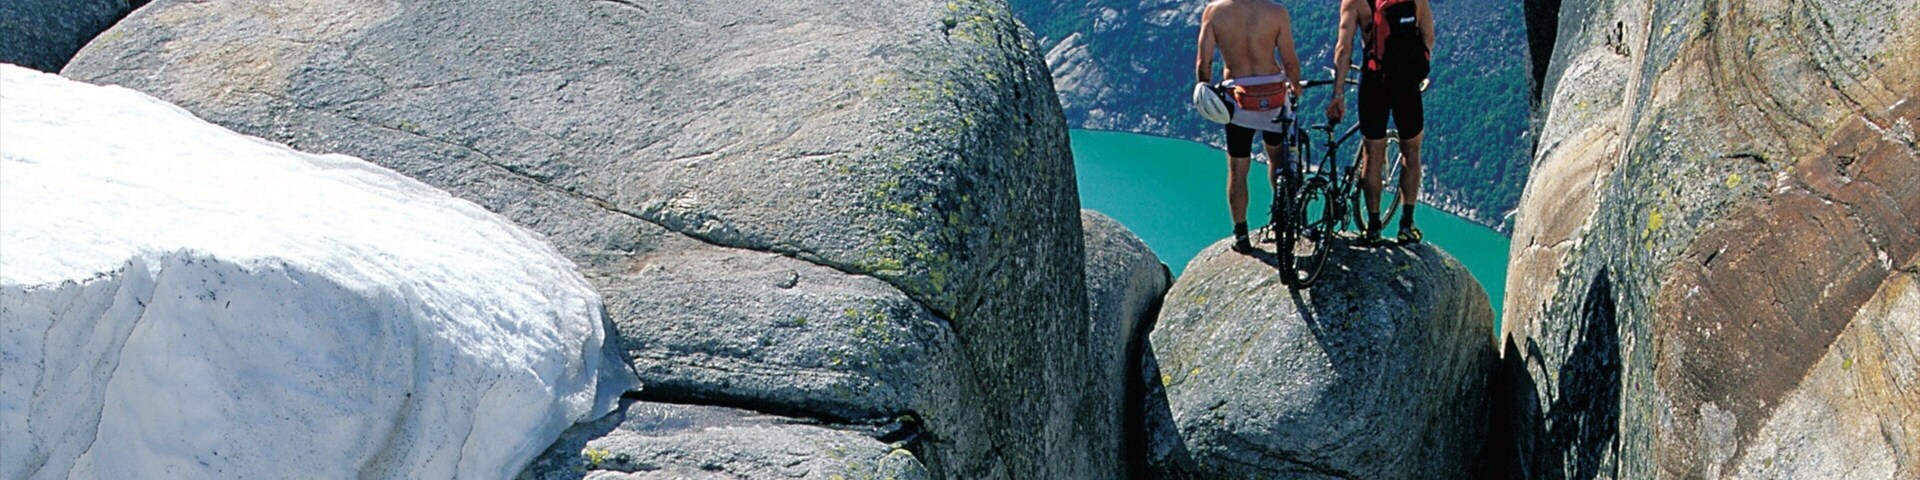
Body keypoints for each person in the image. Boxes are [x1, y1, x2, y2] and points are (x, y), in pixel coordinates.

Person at [1194, 0, 1303, 253]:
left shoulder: (1215, 12)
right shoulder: (1275, 12)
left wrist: (1206, 94)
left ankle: (1241, 235)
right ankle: (1282, 219)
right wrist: (1295, 89)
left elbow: (1204, 64)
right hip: (1274, 97)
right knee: (1277, 160)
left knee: (1238, 167)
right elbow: (1290, 61)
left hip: (1238, 101)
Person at [1327, 0, 1433, 245]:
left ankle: (1373, 227)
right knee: (1411, 152)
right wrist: (1417, 69)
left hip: (1374, 82)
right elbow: (1427, 35)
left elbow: (1343, 50)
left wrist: (1338, 94)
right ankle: (1406, 225)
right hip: (1406, 84)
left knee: (1372, 154)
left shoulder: (1354, 2)